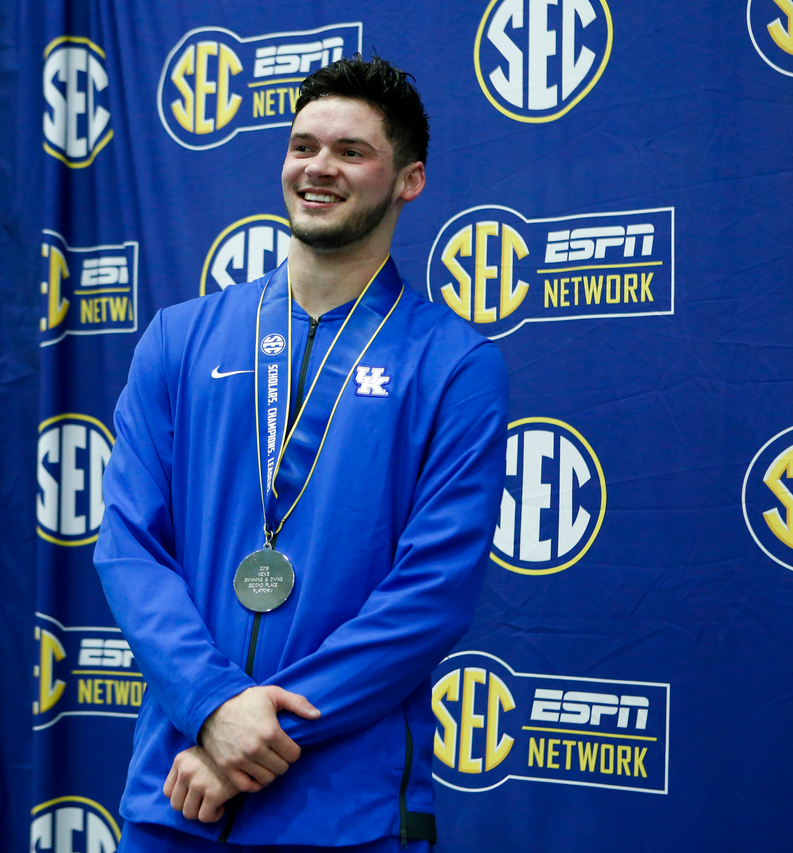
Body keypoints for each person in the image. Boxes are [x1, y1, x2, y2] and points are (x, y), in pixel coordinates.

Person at [94, 55, 509, 851]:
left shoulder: (453, 364)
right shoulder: (180, 339)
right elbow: (130, 550)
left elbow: (431, 592)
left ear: (409, 180)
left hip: (342, 810)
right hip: (174, 793)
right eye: (303, 145)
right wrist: (214, 705)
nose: (319, 167)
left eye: (352, 151)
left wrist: (252, 738)